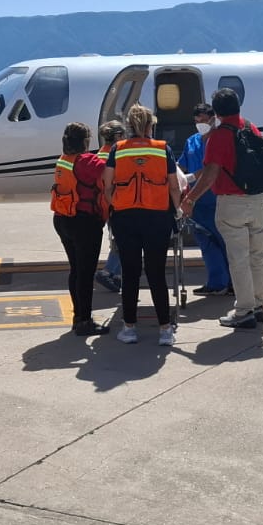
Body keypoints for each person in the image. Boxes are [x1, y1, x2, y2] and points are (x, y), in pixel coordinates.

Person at [179, 87, 263, 330]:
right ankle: (259, 306)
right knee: (257, 257)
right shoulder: (252, 128)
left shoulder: (219, 136)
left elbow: (210, 174)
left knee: (238, 258)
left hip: (232, 202)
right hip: (258, 200)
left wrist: (190, 199)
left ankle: (244, 311)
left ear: (216, 113)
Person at [102, 104, 182, 346]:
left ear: (128, 126)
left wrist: (115, 204)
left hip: (125, 217)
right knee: (156, 272)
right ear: (150, 126)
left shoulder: (117, 149)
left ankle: (129, 328)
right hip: (157, 217)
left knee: (130, 272)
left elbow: (107, 184)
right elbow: (174, 186)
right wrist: (177, 210)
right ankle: (165, 329)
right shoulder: (162, 149)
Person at [49, 121, 109, 336]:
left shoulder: (64, 159)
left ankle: (78, 317)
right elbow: (112, 171)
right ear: (85, 141)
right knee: (86, 273)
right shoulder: (87, 161)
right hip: (84, 223)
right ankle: (85, 321)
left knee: (76, 270)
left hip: (62, 219)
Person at [177, 101, 232, 296]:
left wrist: (193, 177)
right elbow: (182, 165)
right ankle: (217, 282)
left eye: (203, 120)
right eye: (196, 121)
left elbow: (212, 170)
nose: (200, 124)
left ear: (213, 119)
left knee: (225, 242)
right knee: (206, 244)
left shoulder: (219, 140)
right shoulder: (192, 141)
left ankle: (233, 283)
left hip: (216, 199)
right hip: (196, 203)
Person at [93, 119, 126, 293]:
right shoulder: (113, 156)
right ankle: (108, 271)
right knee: (122, 240)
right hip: (114, 204)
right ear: (118, 136)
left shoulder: (101, 153)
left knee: (119, 238)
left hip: (105, 204)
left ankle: (118, 276)